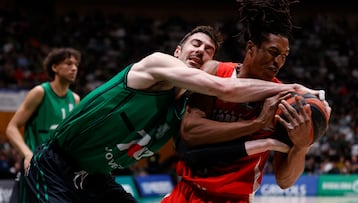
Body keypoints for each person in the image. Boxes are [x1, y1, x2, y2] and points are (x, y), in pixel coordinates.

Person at [19, 24, 321, 203]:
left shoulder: (180, 109)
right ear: (177, 51)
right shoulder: (155, 65)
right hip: (55, 166)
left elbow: (199, 148)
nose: (201, 51)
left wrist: (294, 143)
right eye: (196, 44)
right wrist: (294, 87)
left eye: (209, 51)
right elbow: (225, 88)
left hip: (95, 176)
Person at [161, 0, 332, 202]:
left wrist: (301, 147)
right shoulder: (216, 72)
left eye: (284, 56)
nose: (278, 62)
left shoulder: (283, 101)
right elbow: (191, 131)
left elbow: (285, 181)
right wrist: (256, 124)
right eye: (273, 52)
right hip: (188, 192)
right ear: (251, 47)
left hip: (234, 198)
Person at [5, 47, 81, 202]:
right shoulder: (40, 92)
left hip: (60, 170)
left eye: (76, 64)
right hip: (35, 167)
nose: (74, 68)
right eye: (68, 63)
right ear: (54, 67)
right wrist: (27, 154)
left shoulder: (75, 99)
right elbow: (11, 128)